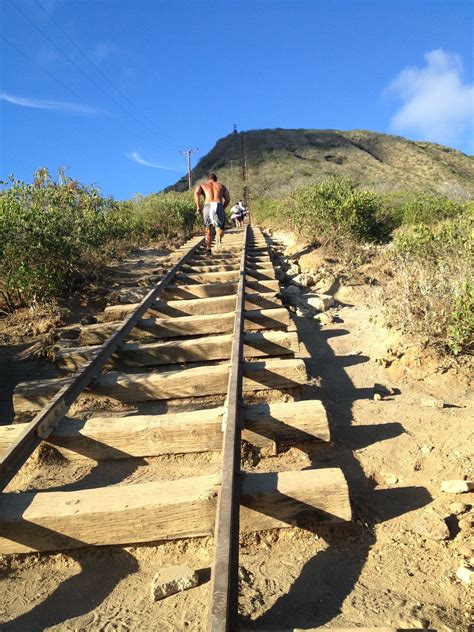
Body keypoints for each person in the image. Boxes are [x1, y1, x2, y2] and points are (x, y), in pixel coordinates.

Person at [194, 173, 230, 252]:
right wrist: (222, 208)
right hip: (218, 205)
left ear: (208, 179)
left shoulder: (202, 185)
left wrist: (198, 206)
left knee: (208, 228)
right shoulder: (221, 186)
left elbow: (196, 194)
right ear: (216, 179)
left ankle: (208, 248)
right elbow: (227, 199)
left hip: (207, 206)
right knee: (219, 228)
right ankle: (218, 241)